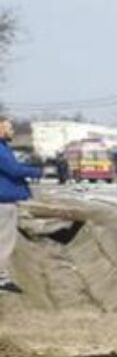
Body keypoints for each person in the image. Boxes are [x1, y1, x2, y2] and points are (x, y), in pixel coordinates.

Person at [0, 119, 43, 294]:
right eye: (9, 127)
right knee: (4, 241)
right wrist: (36, 171)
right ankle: (1, 279)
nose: (13, 131)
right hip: (3, 201)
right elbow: (14, 170)